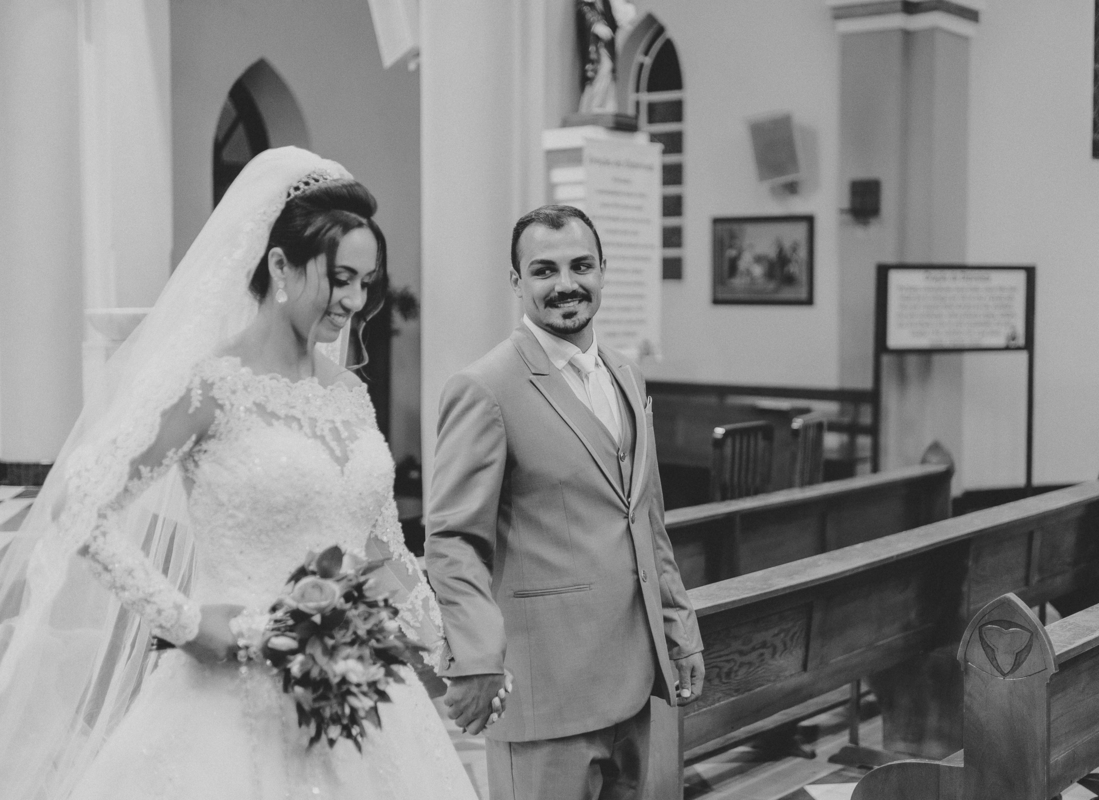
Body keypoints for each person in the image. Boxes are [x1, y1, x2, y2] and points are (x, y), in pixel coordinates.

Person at [0, 147, 492, 799]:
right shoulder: (210, 387)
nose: (354, 301)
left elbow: (383, 552)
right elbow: (80, 505)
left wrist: (455, 655)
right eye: (340, 278)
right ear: (281, 265)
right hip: (228, 705)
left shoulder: (348, 393)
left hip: (352, 698)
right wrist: (185, 621)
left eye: (366, 282)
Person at [425, 204, 704, 800]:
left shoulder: (626, 374)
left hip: (636, 677)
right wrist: (476, 659)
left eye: (581, 265)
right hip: (544, 688)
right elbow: (453, 541)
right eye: (544, 270)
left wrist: (680, 630)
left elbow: (647, 519)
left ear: (603, 270)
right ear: (516, 281)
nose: (566, 284)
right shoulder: (485, 388)